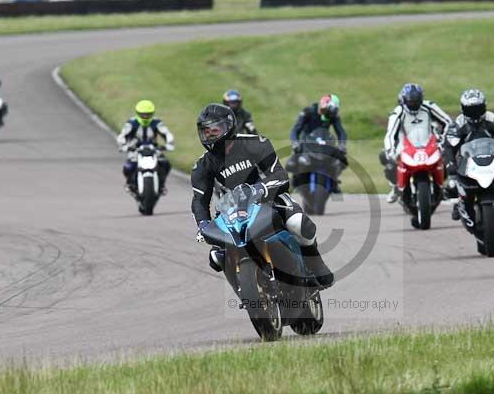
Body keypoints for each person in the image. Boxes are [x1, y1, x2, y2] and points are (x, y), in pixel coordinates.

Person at [193, 103, 334, 288]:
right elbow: (199, 202)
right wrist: (203, 224)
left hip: (269, 198)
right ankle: (244, 290)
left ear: (228, 127)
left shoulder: (255, 144)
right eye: (206, 132)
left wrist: (259, 189)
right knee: (216, 257)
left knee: (298, 223)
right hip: (232, 213)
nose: (210, 136)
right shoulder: (202, 165)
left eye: (215, 130)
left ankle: (315, 262)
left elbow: (281, 176)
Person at [380, 83, 452, 203]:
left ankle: (441, 186)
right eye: (411, 102)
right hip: (404, 145)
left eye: (416, 102)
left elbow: (448, 122)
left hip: (428, 143)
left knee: (447, 158)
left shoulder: (429, 107)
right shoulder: (398, 113)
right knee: (388, 160)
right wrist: (390, 150)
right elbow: (390, 134)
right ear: (403, 100)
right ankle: (396, 187)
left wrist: (443, 139)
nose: (414, 105)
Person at [444, 89, 494, 220]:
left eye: (478, 109)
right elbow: (449, 145)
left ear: (484, 107)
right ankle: (459, 201)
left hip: (490, 157)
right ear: (463, 109)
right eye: (470, 110)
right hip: (468, 160)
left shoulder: (491, 118)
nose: (475, 114)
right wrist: (450, 164)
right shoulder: (459, 123)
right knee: (452, 183)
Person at [116, 100, 175, 195]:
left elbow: (167, 134)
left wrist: (169, 144)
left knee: (166, 164)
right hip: (135, 150)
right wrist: (123, 145)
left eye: (148, 114)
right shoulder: (131, 123)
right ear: (138, 113)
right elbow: (122, 136)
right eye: (143, 114)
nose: (145, 117)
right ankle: (129, 183)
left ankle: (162, 185)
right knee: (128, 167)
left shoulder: (157, 122)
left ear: (152, 114)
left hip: (153, 150)